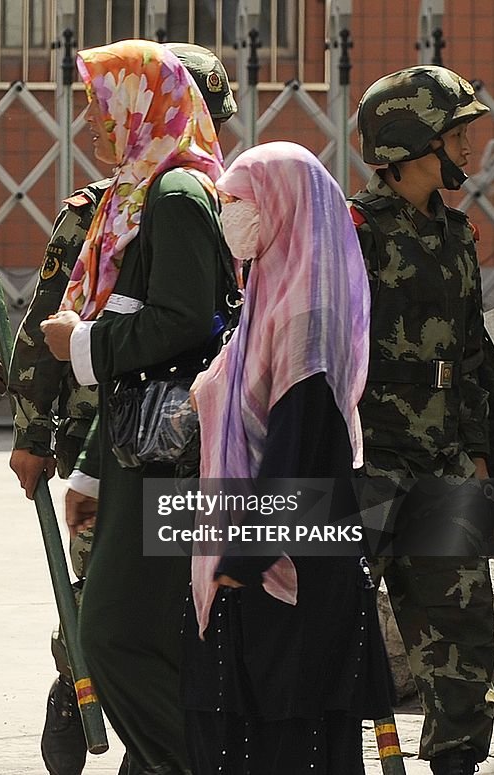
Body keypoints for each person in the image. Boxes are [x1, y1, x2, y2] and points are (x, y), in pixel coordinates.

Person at [10, 42, 238, 775]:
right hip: (142, 447)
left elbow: (179, 326)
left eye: (100, 107)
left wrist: (82, 345)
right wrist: (93, 471)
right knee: (152, 635)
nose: (91, 124)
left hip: (171, 458)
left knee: (107, 635)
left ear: (141, 107)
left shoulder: (173, 195)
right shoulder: (141, 191)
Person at [183, 141, 393, 774]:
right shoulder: (270, 295)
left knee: (288, 736)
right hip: (265, 546)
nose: (231, 218)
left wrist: (244, 556)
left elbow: (297, 451)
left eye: (240, 202)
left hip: (288, 558)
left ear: (282, 206)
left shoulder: (306, 317)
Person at [351, 66, 494, 775]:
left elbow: (472, 351)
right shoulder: (351, 232)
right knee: (328, 632)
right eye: (457, 134)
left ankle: (456, 761)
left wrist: (479, 452)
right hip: (370, 462)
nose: (471, 147)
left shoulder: (456, 235)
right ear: (413, 144)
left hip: (444, 460)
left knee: (460, 639)